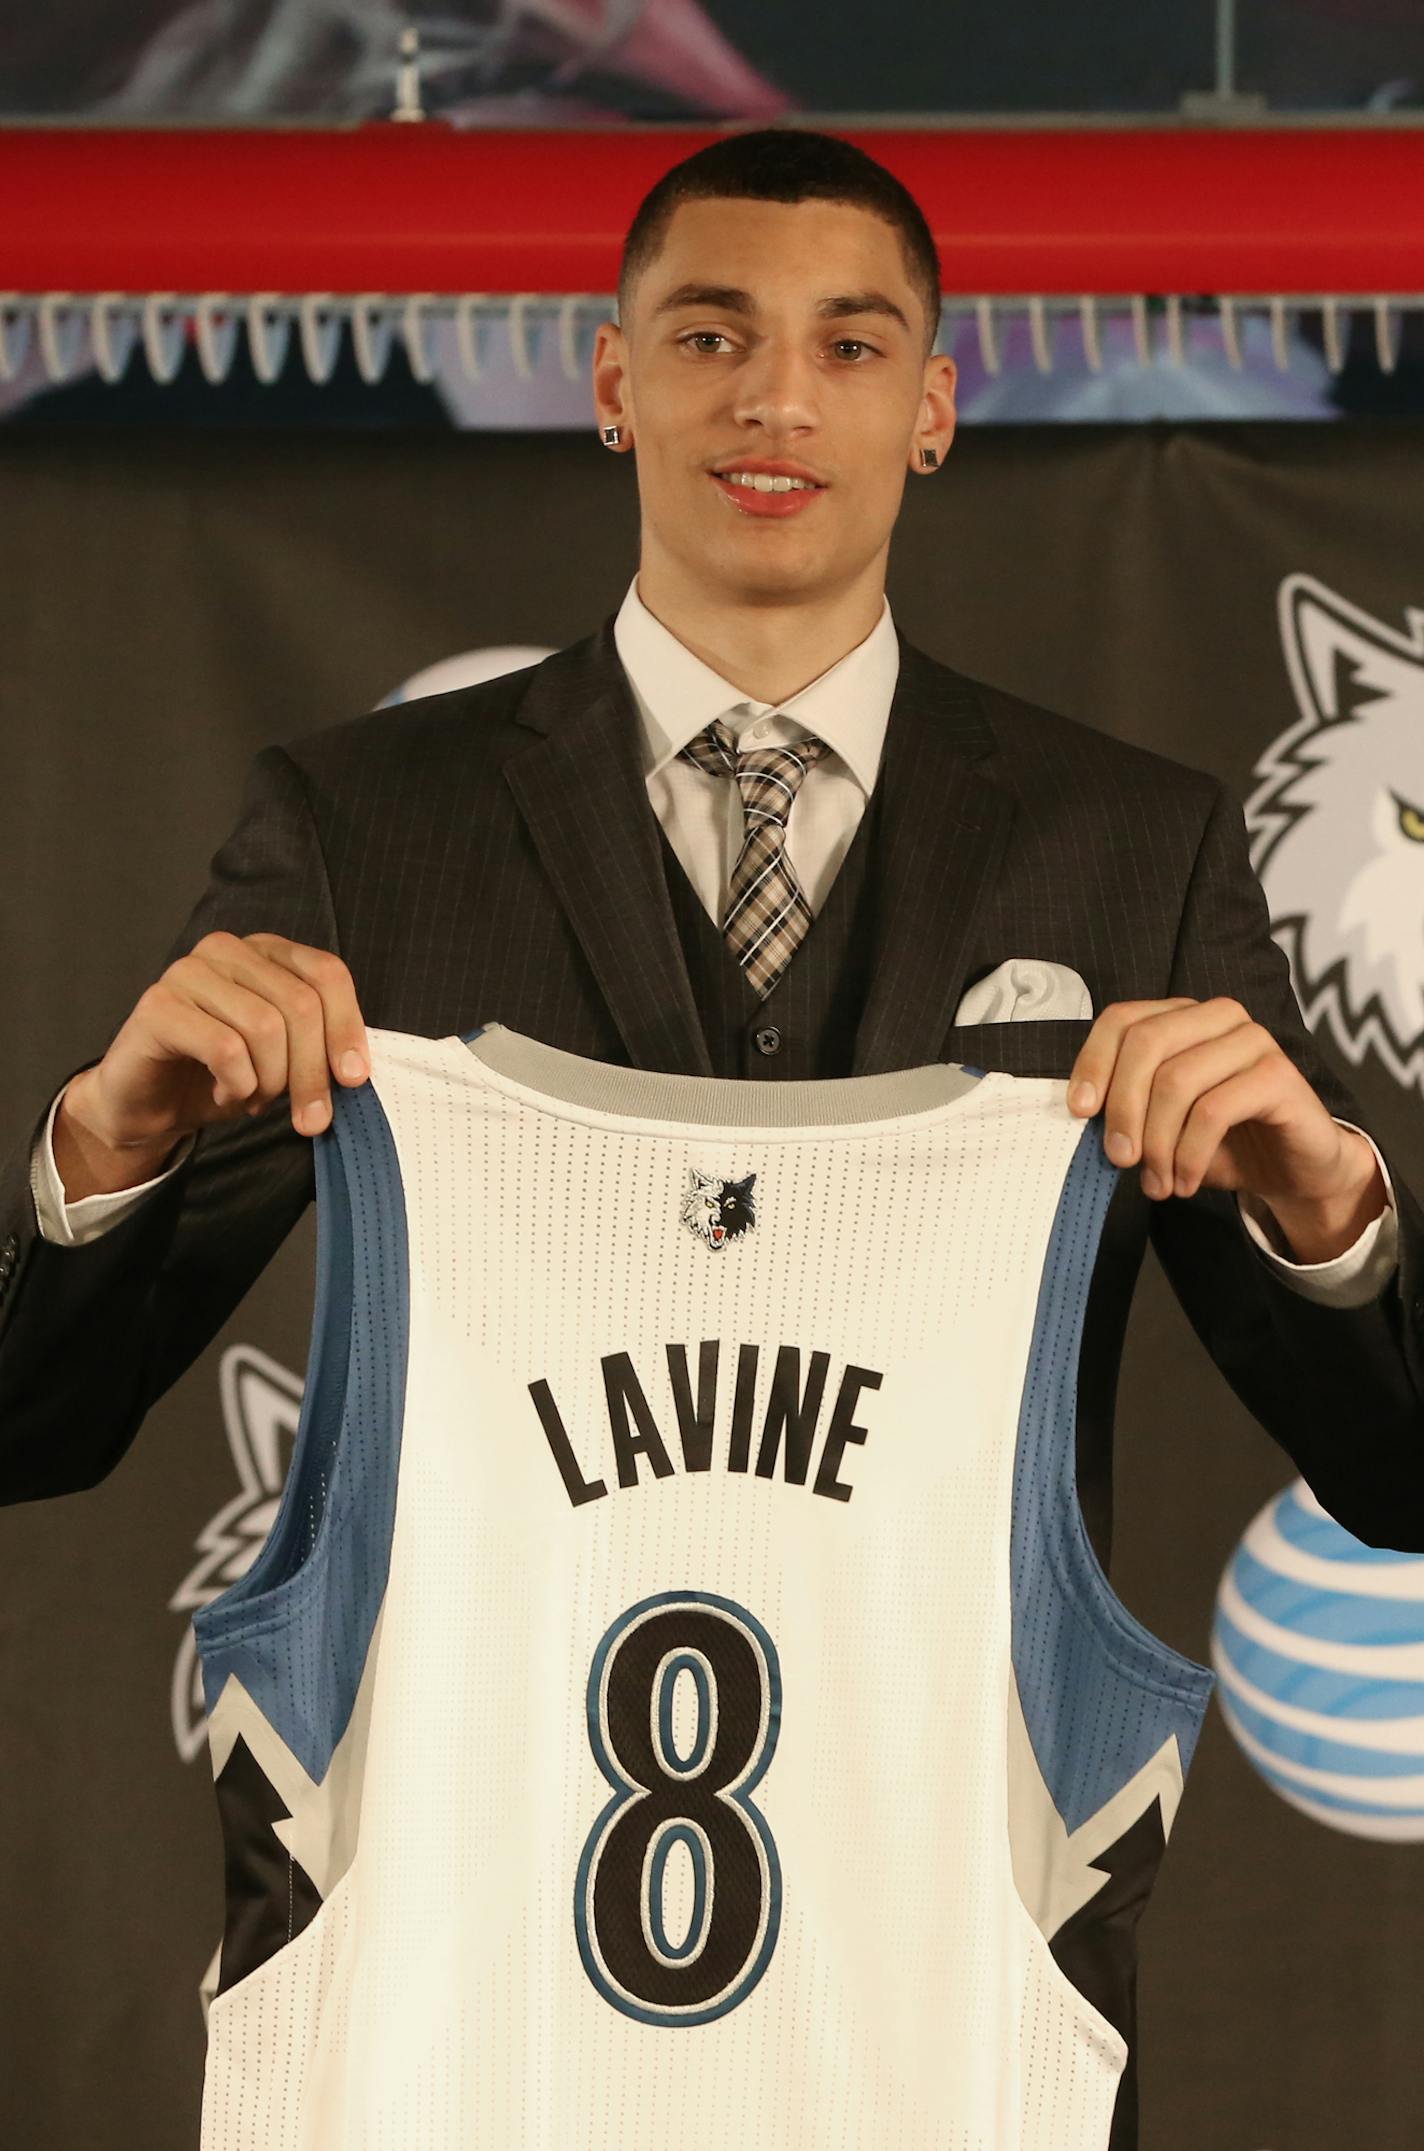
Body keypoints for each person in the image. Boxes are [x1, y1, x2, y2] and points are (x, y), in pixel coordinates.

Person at [0, 126, 1419, 2151]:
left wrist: (1327, 1204)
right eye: (709, 333)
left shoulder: (1128, 847)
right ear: (611, 380)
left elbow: (1403, 1464)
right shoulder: (362, 829)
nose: (774, 398)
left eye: (850, 346)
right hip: (455, 2007)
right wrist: (107, 1140)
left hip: (937, 2001)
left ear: (932, 410)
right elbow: (29, 1421)